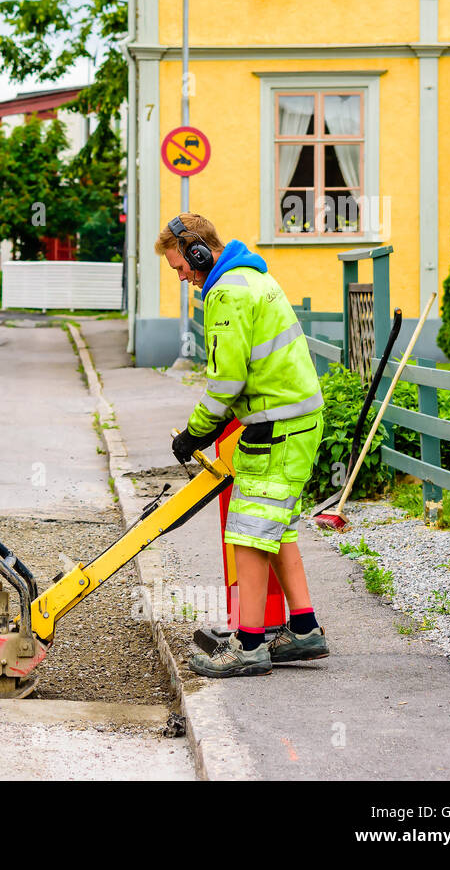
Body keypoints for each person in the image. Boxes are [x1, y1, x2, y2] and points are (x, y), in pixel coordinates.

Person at [158, 213, 329, 678]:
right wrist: (213, 427)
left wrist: (196, 431)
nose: (184, 278)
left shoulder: (227, 292)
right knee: (277, 527)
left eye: (181, 268)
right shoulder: (252, 277)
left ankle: (249, 645)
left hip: (278, 426)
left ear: (199, 252)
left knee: (250, 534)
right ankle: (305, 629)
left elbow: (226, 379)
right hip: (292, 420)